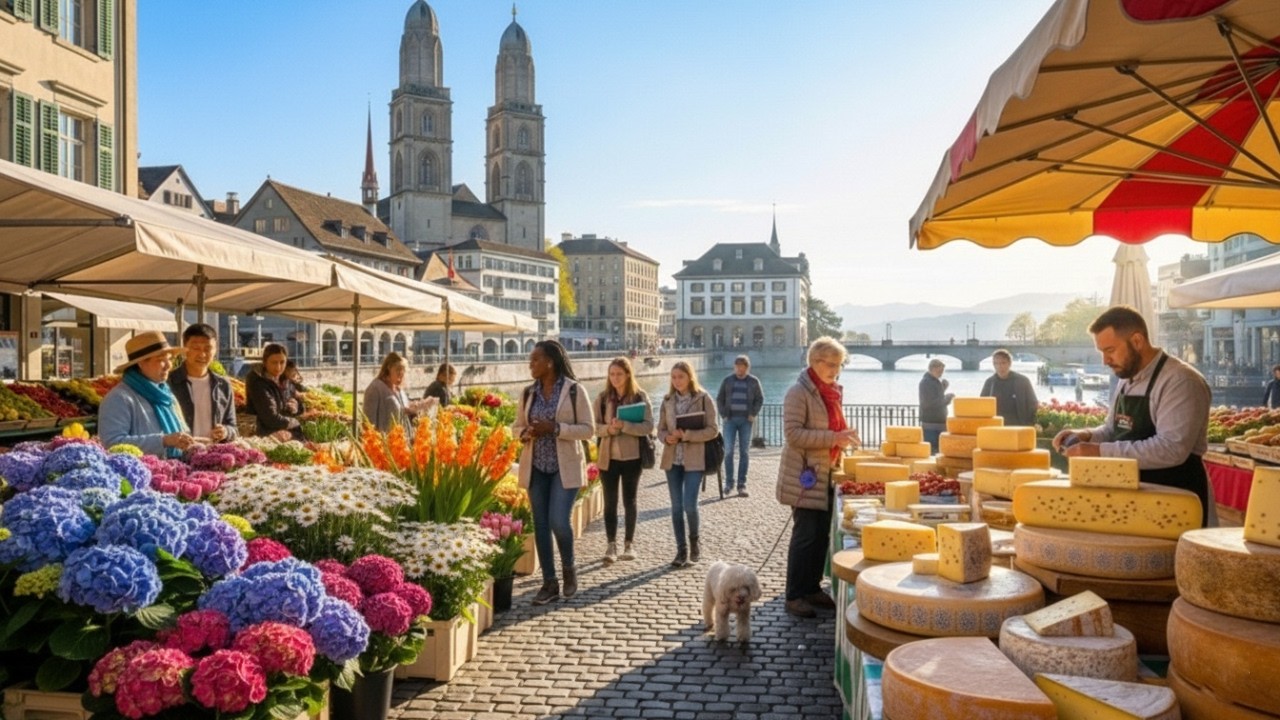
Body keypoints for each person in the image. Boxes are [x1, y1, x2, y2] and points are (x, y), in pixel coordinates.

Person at [1053, 306, 1212, 523]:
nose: (1105, 361)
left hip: (1176, 502)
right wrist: (1087, 436)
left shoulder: (1181, 381)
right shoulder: (1126, 378)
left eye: (1110, 350)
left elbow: (1171, 449)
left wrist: (1098, 451)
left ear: (1137, 341)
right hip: (1134, 500)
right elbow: (1112, 430)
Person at [777, 337, 862, 618]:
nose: (836, 370)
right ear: (815, 361)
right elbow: (793, 435)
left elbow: (832, 426)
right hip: (805, 475)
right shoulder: (797, 393)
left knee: (820, 535)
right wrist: (833, 438)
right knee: (805, 535)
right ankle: (794, 594)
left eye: (839, 365)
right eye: (832, 364)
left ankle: (812, 587)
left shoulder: (830, 392)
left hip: (826, 471)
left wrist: (844, 436)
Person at [512, 340, 594, 605]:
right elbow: (516, 428)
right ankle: (549, 583)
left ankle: (569, 569)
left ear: (550, 362)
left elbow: (588, 429)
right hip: (536, 466)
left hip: (564, 467)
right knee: (541, 525)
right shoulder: (528, 393)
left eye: (535, 360)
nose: (530, 364)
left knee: (559, 521)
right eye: (530, 360)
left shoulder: (574, 391)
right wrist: (526, 433)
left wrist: (556, 428)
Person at [657, 361, 720, 568]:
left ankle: (694, 540)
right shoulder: (667, 400)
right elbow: (660, 430)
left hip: (694, 459)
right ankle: (681, 550)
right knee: (676, 508)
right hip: (672, 460)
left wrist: (688, 435)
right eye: (673, 377)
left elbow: (713, 430)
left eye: (680, 377)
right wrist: (667, 438)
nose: (676, 381)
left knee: (689, 505)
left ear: (689, 377)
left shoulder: (703, 398)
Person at [593, 357, 654, 564]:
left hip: (632, 457)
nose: (615, 378)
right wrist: (609, 429)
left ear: (628, 374)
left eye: (619, 374)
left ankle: (629, 543)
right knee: (610, 502)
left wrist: (625, 425)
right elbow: (593, 427)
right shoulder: (602, 399)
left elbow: (648, 427)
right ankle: (611, 544)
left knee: (630, 501)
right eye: (612, 374)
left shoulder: (640, 396)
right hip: (608, 457)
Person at [99, 330, 196, 457]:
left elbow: (182, 432)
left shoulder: (167, 395)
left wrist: (194, 442)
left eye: (170, 359)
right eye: (161, 360)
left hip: (176, 471)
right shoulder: (119, 398)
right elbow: (112, 444)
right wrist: (164, 440)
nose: (168, 366)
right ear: (141, 363)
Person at [168, 323, 237, 444]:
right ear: (184, 349)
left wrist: (226, 431)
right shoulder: (169, 382)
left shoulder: (223, 384)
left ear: (215, 350)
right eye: (196, 348)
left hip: (212, 455)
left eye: (208, 348)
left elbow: (233, 426)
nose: (202, 354)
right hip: (179, 455)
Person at [716, 354, 764, 497]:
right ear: (734, 367)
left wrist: (753, 414)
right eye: (737, 367)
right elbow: (720, 398)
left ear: (747, 368)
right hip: (730, 420)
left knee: (744, 452)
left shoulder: (754, 382)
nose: (739, 369)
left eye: (742, 367)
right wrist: (723, 414)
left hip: (745, 421)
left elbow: (759, 399)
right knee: (728, 451)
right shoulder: (727, 380)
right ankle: (729, 483)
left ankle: (741, 485)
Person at [245, 343, 305, 441]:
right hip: (265, 435)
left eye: (282, 362)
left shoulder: (286, 379)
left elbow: (298, 404)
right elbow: (270, 417)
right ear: (265, 362)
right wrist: (295, 422)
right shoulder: (257, 382)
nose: (278, 367)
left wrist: (297, 407)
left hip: (285, 430)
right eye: (274, 362)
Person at [363, 352, 431, 432]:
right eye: (398, 369)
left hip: (402, 440)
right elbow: (368, 422)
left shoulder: (399, 389)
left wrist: (415, 409)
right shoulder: (375, 388)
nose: (401, 374)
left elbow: (401, 410)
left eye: (403, 370)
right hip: (384, 441)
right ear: (389, 368)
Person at [981, 349, 1039, 426]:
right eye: (996, 363)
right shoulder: (990, 382)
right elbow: (982, 404)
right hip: (996, 427)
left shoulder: (1022, 381)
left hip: (1018, 425)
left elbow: (1032, 403)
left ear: (1009, 363)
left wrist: (1028, 422)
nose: (999, 366)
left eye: (1003, 363)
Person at [918, 359, 953, 452]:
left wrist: (943, 388)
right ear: (932, 369)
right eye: (939, 371)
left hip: (937, 422)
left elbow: (935, 397)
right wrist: (946, 399)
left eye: (942, 371)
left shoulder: (933, 381)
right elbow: (929, 403)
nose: (941, 373)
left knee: (939, 450)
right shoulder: (926, 382)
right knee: (933, 451)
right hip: (931, 424)